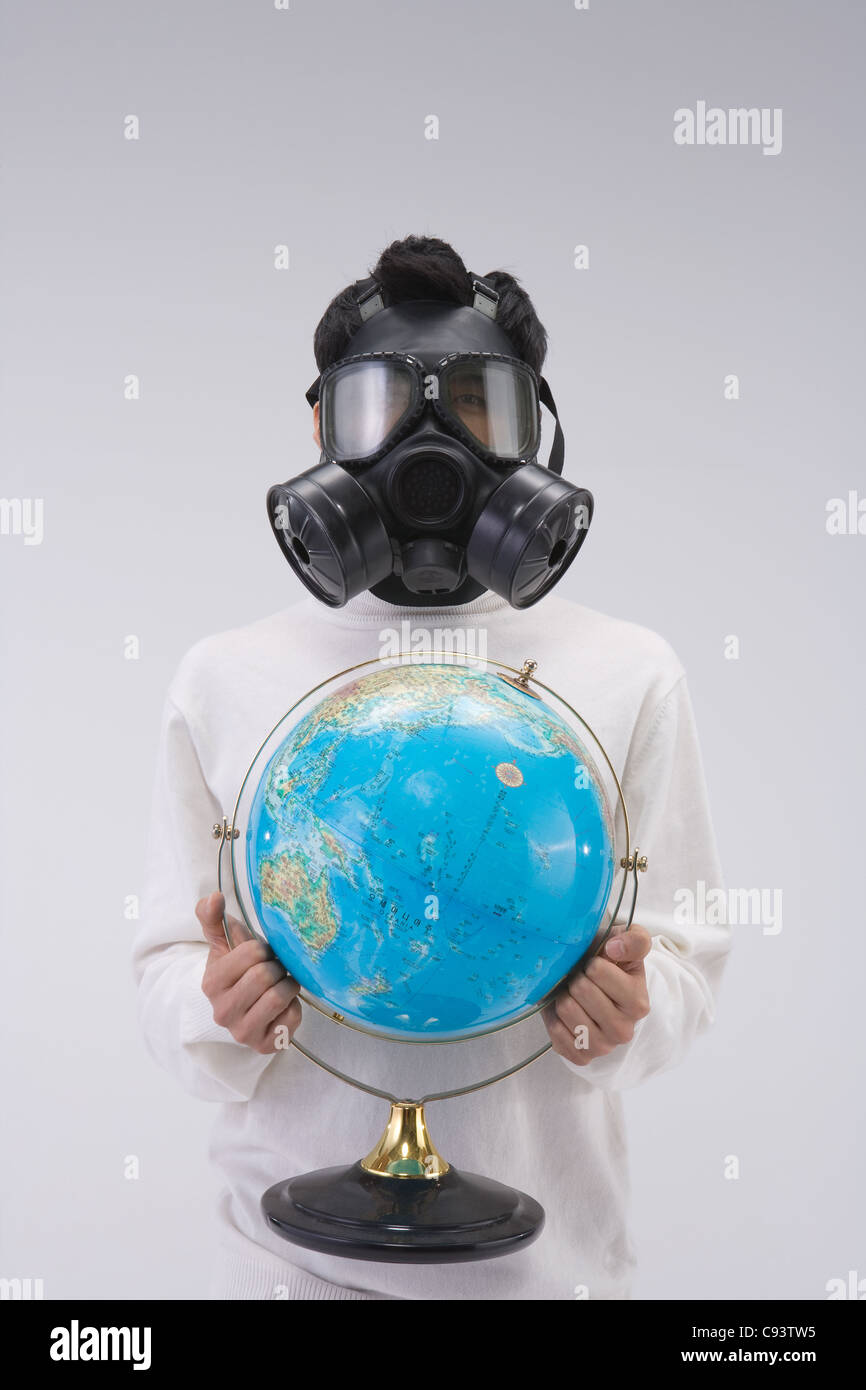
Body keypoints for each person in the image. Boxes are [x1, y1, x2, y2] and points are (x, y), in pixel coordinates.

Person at [133, 234, 731, 1300]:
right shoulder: (224, 675)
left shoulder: (630, 671)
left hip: (545, 1272)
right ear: (320, 427)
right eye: (380, 407)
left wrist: (632, 1009)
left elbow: (682, 963)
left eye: (475, 404)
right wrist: (210, 1007)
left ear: (535, 432)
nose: (430, 445)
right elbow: (167, 973)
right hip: (280, 1268)